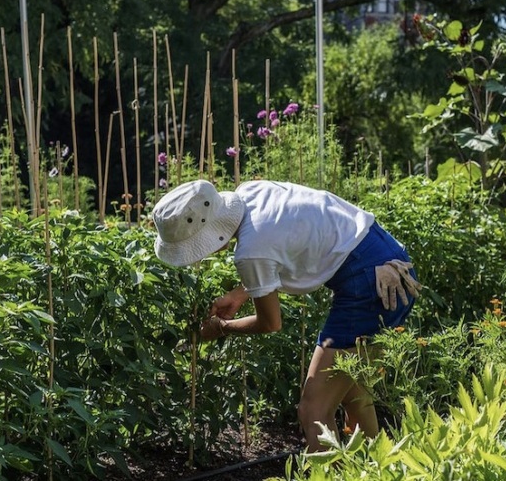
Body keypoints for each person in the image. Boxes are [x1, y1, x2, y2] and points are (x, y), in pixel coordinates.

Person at [151, 179, 421, 452]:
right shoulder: (252, 192)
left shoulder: (250, 253)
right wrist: (240, 293)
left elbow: (270, 323)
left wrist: (221, 327)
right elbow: (284, 241)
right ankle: (378, 468)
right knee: (354, 393)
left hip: (372, 283)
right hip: (386, 256)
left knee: (313, 409)